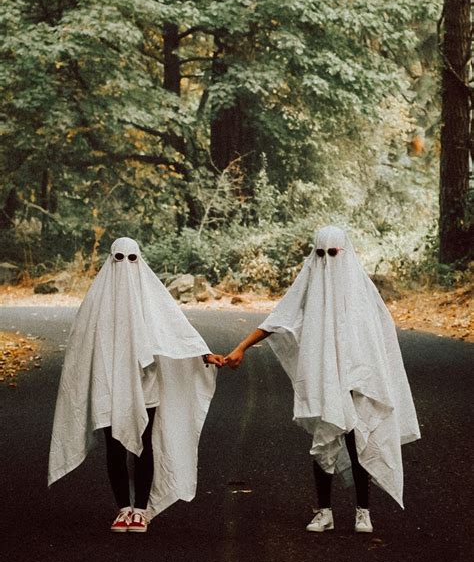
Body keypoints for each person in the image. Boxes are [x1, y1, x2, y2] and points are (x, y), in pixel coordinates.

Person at [225, 225, 420, 533]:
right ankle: (324, 512)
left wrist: (372, 378)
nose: (326, 261)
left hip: (358, 377)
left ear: (345, 252)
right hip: (323, 374)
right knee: (324, 437)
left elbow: (379, 337)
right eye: (319, 254)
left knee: (359, 441)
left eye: (332, 253)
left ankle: (363, 512)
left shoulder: (362, 290)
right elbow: (279, 318)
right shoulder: (309, 284)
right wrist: (241, 348)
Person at [48, 237, 225, 533]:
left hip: (146, 384)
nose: (126, 265)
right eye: (119, 258)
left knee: (143, 445)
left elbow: (175, 330)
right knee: (114, 446)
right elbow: (81, 344)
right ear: (110, 260)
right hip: (109, 382)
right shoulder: (97, 300)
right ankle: (123, 509)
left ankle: (141, 509)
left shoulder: (152, 296)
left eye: (132, 259)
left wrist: (203, 355)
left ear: (139, 260)